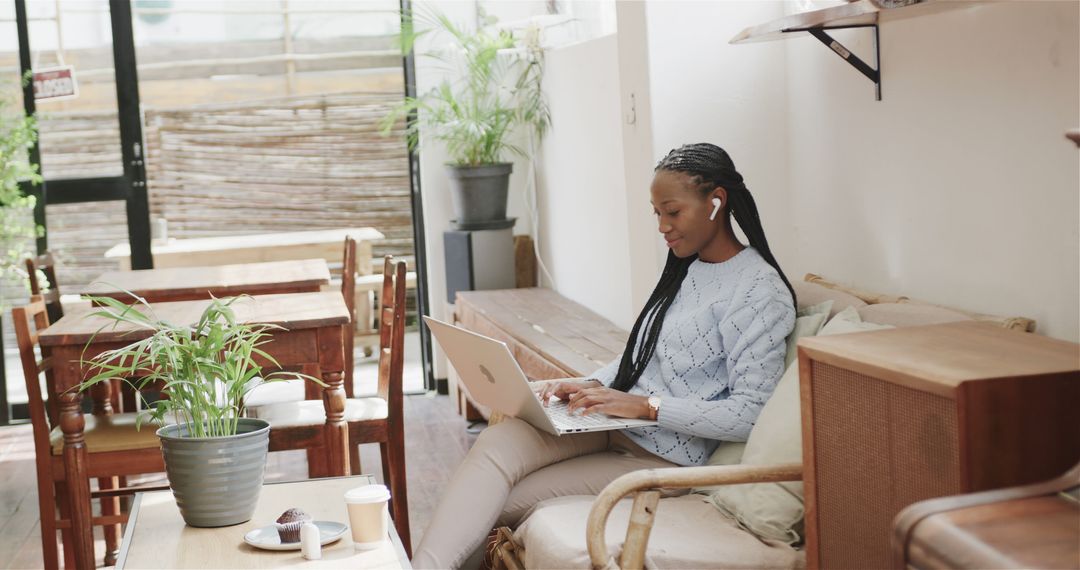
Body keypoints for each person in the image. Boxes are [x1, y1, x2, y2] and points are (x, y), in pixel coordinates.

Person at [412, 143, 797, 569]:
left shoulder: (759, 290)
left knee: (495, 504)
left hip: (662, 457)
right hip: (615, 424)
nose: (663, 226)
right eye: (657, 214)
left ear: (716, 202)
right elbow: (645, 355)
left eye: (672, 212)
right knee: (498, 441)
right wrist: (589, 383)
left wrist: (645, 407)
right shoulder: (690, 268)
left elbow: (750, 412)